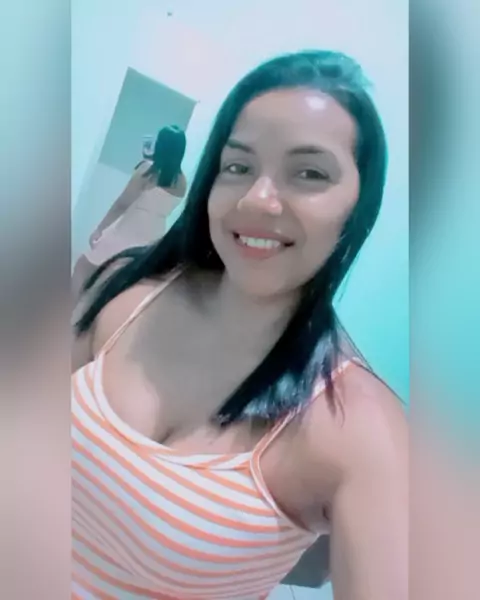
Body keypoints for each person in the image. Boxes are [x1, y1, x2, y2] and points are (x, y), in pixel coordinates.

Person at [72, 50, 407, 600]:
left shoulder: (361, 428)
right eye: (238, 166)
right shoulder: (123, 290)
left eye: (309, 173)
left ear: (357, 207)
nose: (257, 200)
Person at [72, 125, 187, 302]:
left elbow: (123, 203)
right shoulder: (182, 182)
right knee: (118, 281)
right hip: (152, 236)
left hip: (129, 229)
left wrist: (100, 228)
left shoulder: (147, 171)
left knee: (83, 267)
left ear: (160, 145)